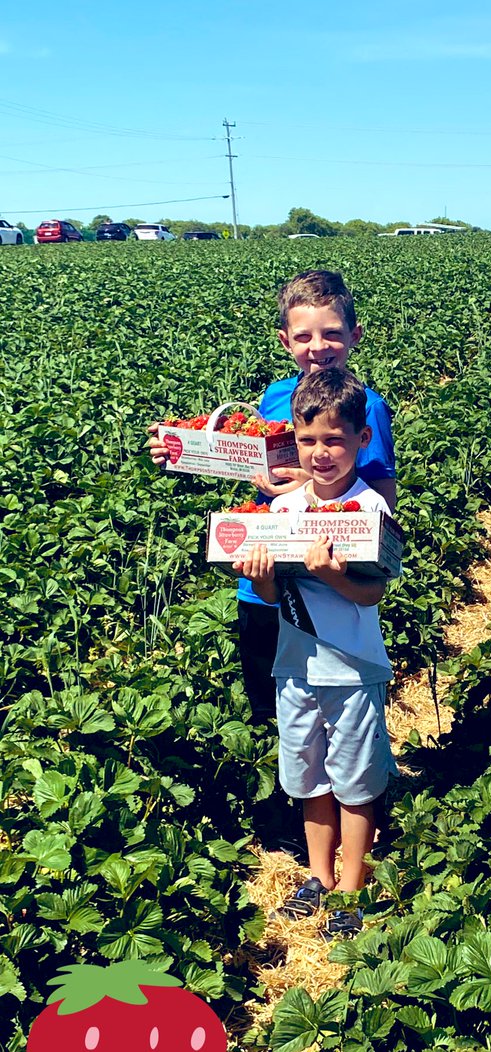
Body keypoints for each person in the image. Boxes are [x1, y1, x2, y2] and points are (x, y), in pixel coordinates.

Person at [147, 269, 397, 728]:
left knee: (328, 707)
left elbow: (381, 498)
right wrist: (183, 449)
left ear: (355, 336)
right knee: (272, 706)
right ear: (286, 341)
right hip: (261, 571)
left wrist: (309, 483)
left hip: (323, 580)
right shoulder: (277, 395)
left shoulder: (367, 407)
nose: (318, 347)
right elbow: (248, 457)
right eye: (304, 336)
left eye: (332, 334)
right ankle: (292, 794)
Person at [235, 367, 398, 939]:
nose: (321, 453)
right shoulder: (279, 514)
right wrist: (261, 578)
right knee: (308, 776)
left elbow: (373, 591)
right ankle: (317, 876)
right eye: (308, 441)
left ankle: (351, 888)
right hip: (295, 665)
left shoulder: (369, 510)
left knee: (354, 779)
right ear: (292, 441)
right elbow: (275, 593)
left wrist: (335, 576)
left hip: (352, 667)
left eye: (334, 439)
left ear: (362, 439)